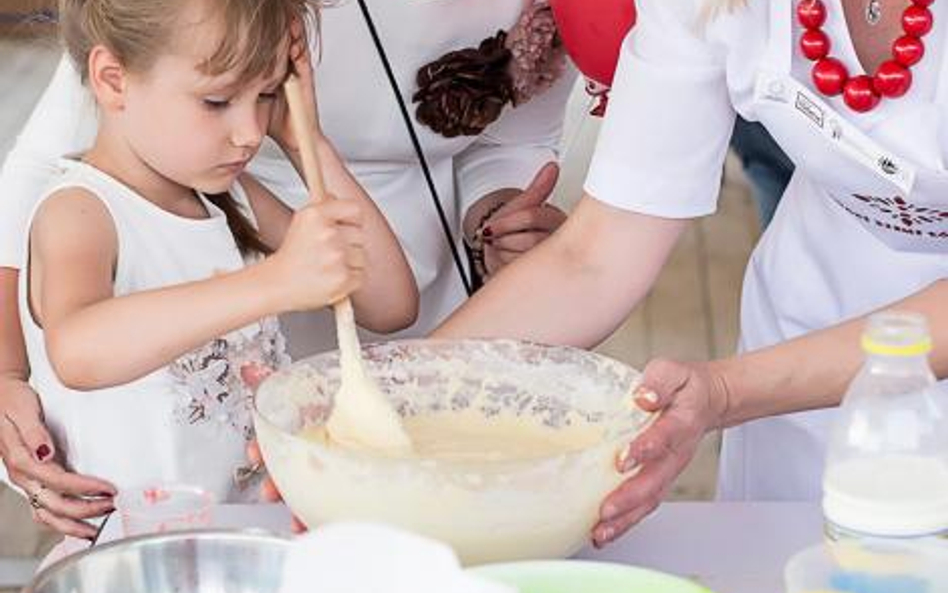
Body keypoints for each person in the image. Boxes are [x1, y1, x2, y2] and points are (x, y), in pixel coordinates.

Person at [0, 0, 571, 537]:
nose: (250, 133)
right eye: (217, 101)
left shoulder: (233, 198)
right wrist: (273, 283)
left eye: (268, 96)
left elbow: (391, 303)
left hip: (252, 530)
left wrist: (306, 142)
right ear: (112, 80)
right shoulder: (79, 211)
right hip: (138, 546)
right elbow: (78, 348)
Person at [434, 0, 948, 547]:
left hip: (824, 366)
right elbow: (595, 256)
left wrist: (725, 391)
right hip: (810, 327)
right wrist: (376, 399)